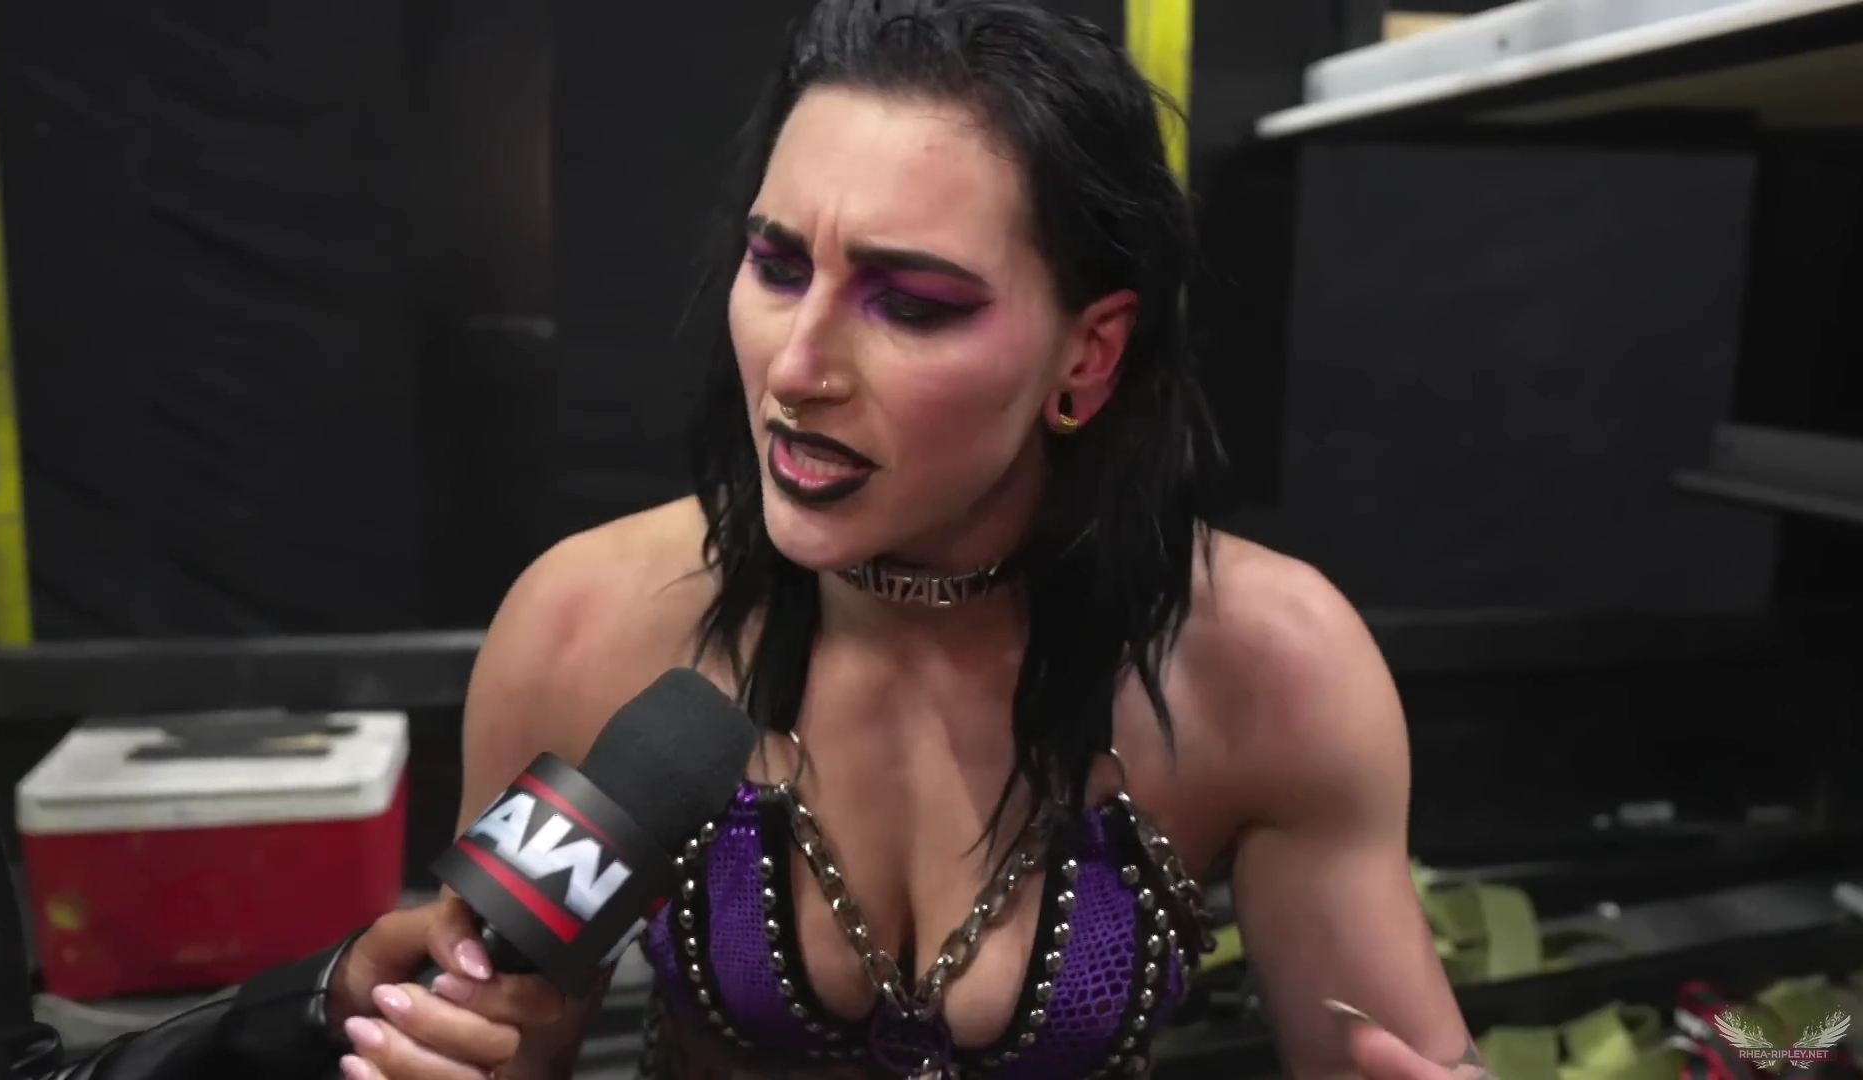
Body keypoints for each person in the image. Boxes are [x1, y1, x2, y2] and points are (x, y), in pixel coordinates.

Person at [320, 1, 1487, 1078]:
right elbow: (504, 1033)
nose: (797, 368)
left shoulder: (1268, 662)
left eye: (912, 304)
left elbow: (1397, 1059)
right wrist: (448, 1040)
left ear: (1090, 356)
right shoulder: (587, 626)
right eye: (778, 266)